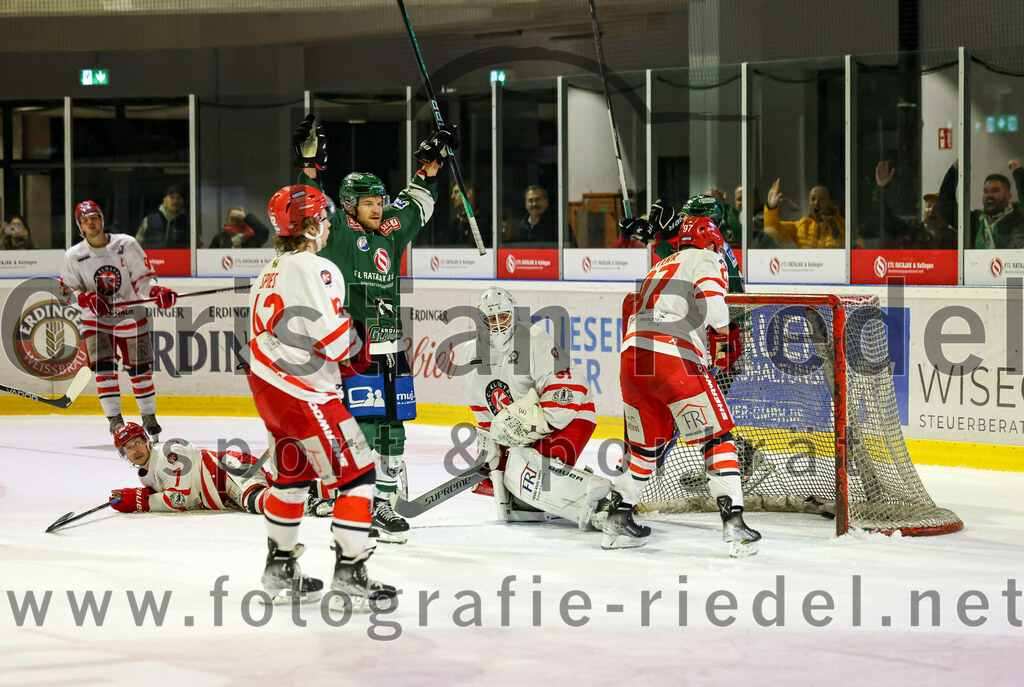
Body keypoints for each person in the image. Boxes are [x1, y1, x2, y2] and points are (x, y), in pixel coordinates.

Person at [293, 113, 450, 544]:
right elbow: (311, 207)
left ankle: (380, 503)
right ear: (349, 207)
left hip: (387, 338)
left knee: (393, 424)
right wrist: (310, 170)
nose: (379, 207)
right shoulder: (338, 230)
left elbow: (417, 202)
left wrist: (429, 167)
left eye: (380, 199)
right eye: (369, 202)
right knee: (357, 422)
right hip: (350, 342)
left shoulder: (391, 230)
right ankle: (340, 495)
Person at [246, 182, 394, 608]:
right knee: (359, 473)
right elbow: (332, 340)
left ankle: (279, 567)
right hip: (302, 389)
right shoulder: (313, 267)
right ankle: (350, 570)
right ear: (308, 226)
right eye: (324, 219)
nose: (328, 226)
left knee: (291, 477)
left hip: (269, 388)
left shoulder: (270, 270)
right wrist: (361, 346)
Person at [602, 215, 760, 555]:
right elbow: (713, 303)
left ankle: (617, 518)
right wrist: (726, 331)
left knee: (645, 448)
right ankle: (734, 525)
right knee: (716, 437)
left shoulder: (655, 268)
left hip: (631, 361)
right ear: (711, 240)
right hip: (673, 357)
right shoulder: (706, 257)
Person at [453, 286, 610, 529]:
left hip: (570, 416)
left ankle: (603, 504)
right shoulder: (472, 353)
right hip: (521, 429)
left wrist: (535, 424)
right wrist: (494, 447)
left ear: (513, 314)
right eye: (490, 319)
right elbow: (482, 407)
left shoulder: (535, 339)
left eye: (502, 316)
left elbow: (569, 386)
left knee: (542, 477)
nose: (497, 324)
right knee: (516, 491)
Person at [60, 200, 177, 437]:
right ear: (79, 227)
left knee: (140, 371)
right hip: (96, 320)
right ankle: (115, 421)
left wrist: (156, 292)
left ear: (102, 219)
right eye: (84, 220)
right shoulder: (73, 255)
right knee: (104, 371)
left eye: (94, 217)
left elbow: (143, 278)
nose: (90, 223)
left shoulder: (127, 244)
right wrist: (84, 298)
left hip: (131, 317)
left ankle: (149, 418)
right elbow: (66, 291)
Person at [108, 422, 335, 517]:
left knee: (256, 501)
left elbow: (179, 500)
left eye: (137, 442)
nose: (134, 450)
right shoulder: (146, 474)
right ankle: (332, 488)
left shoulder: (168, 452)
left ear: (147, 441)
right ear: (123, 455)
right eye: (127, 447)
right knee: (275, 489)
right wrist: (146, 496)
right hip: (223, 488)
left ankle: (313, 505)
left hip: (228, 472)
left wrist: (141, 501)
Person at [938, 158, 1024, 249]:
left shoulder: (1018, 216)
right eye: (986, 191)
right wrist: (954, 171)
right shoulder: (977, 221)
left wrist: (1018, 173)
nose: (989, 195)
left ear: (1008, 196)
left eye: (995, 190)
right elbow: (945, 208)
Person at [872, 161, 957, 250]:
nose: (931, 210)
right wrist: (881, 189)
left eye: (937, 208)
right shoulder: (913, 231)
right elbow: (886, 218)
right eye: (928, 206)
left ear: (945, 214)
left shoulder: (955, 237)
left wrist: (937, 234)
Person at [763, 178, 849, 249]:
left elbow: (857, 249)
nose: (816, 203)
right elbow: (773, 230)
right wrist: (771, 207)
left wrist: (836, 232)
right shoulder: (801, 225)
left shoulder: (845, 225)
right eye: (812, 199)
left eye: (821, 199)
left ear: (831, 202)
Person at [435, 181, 490, 248]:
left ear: (469, 193)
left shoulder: (485, 219)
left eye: (456, 192)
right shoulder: (455, 224)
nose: (452, 197)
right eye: (452, 193)